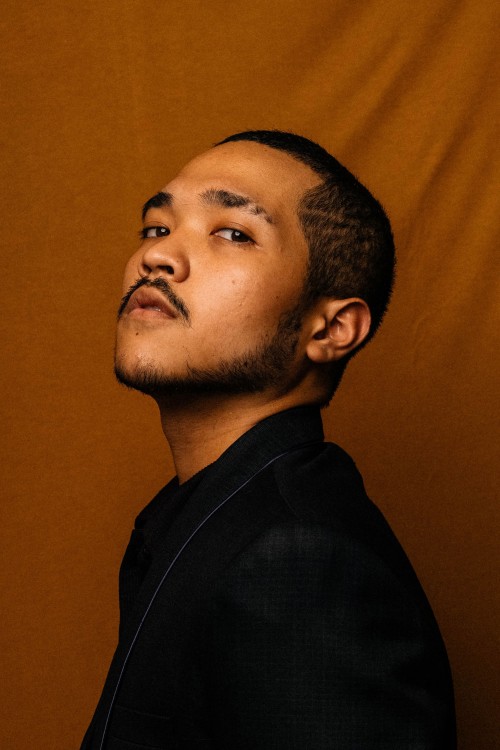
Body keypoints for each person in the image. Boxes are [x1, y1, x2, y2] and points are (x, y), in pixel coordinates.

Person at [81, 130, 456, 749]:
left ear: (331, 329)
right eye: (156, 228)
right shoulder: (203, 517)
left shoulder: (300, 563)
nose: (159, 256)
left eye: (232, 233)